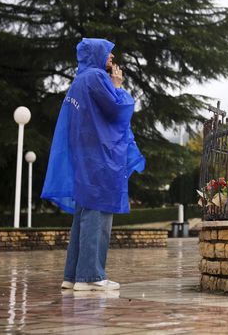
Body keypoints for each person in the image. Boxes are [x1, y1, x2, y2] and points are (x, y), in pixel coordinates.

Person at [42, 38, 145, 291]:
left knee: (84, 214)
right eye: (109, 53)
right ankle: (91, 277)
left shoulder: (79, 81)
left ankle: (73, 275)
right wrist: (118, 87)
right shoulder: (96, 77)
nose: (112, 57)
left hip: (85, 156)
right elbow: (116, 109)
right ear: (98, 54)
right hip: (100, 159)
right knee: (98, 214)